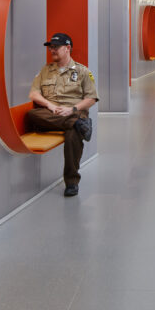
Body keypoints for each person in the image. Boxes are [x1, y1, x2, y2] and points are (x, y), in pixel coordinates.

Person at [28, 32, 99, 197]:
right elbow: (33, 94)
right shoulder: (45, 70)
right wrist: (49, 105)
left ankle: (72, 183)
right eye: (50, 47)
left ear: (67, 48)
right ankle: (75, 123)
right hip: (50, 114)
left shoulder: (82, 71)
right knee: (32, 114)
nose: (52, 50)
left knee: (73, 135)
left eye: (56, 47)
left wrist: (72, 110)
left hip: (74, 112)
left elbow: (91, 98)